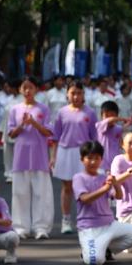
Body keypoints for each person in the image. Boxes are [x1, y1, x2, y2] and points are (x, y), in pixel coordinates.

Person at [72, 141, 132, 265]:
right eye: (89, 158)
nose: (93, 162)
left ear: (101, 160)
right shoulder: (78, 178)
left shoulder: (103, 177)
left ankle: (107, 249)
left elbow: (119, 196)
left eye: (96, 158)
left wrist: (115, 183)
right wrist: (104, 189)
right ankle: (92, 251)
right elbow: (85, 199)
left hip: (109, 224)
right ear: (82, 159)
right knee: (95, 261)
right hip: (90, 227)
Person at [7, 77, 54, 239]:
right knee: (20, 193)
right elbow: (11, 134)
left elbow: (48, 132)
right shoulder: (14, 109)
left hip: (39, 156)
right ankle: (21, 227)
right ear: (20, 89)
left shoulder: (43, 109)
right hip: (21, 156)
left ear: (36, 89)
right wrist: (22, 124)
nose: (27, 91)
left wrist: (33, 123)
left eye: (31, 87)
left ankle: (41, 227)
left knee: (41, 193)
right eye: (24, 87)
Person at [51, 83, 98, 234]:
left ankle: (85, 219)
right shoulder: (62, 112)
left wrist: (95, 157)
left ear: (83, 94)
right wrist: (53, 157)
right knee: (67, 187)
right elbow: (56, 136)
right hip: (65, 151)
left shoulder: (90, 113)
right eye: (73, 93)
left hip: (84, 153)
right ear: (67, 94)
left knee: (86, 188)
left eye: (79, 93)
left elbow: (94, 137)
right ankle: (66, 220)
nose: (76, 96)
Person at [96, 100, 132, 170]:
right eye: (106, 115)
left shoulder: (118, 128)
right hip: (101, 164)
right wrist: (123, 119)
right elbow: (110, 120)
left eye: (112, 115)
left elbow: (121, 141)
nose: (109, 118)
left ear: (116, 115)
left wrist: (128, 123)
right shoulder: (99, 125)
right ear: (101, 116)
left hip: (115, 164)